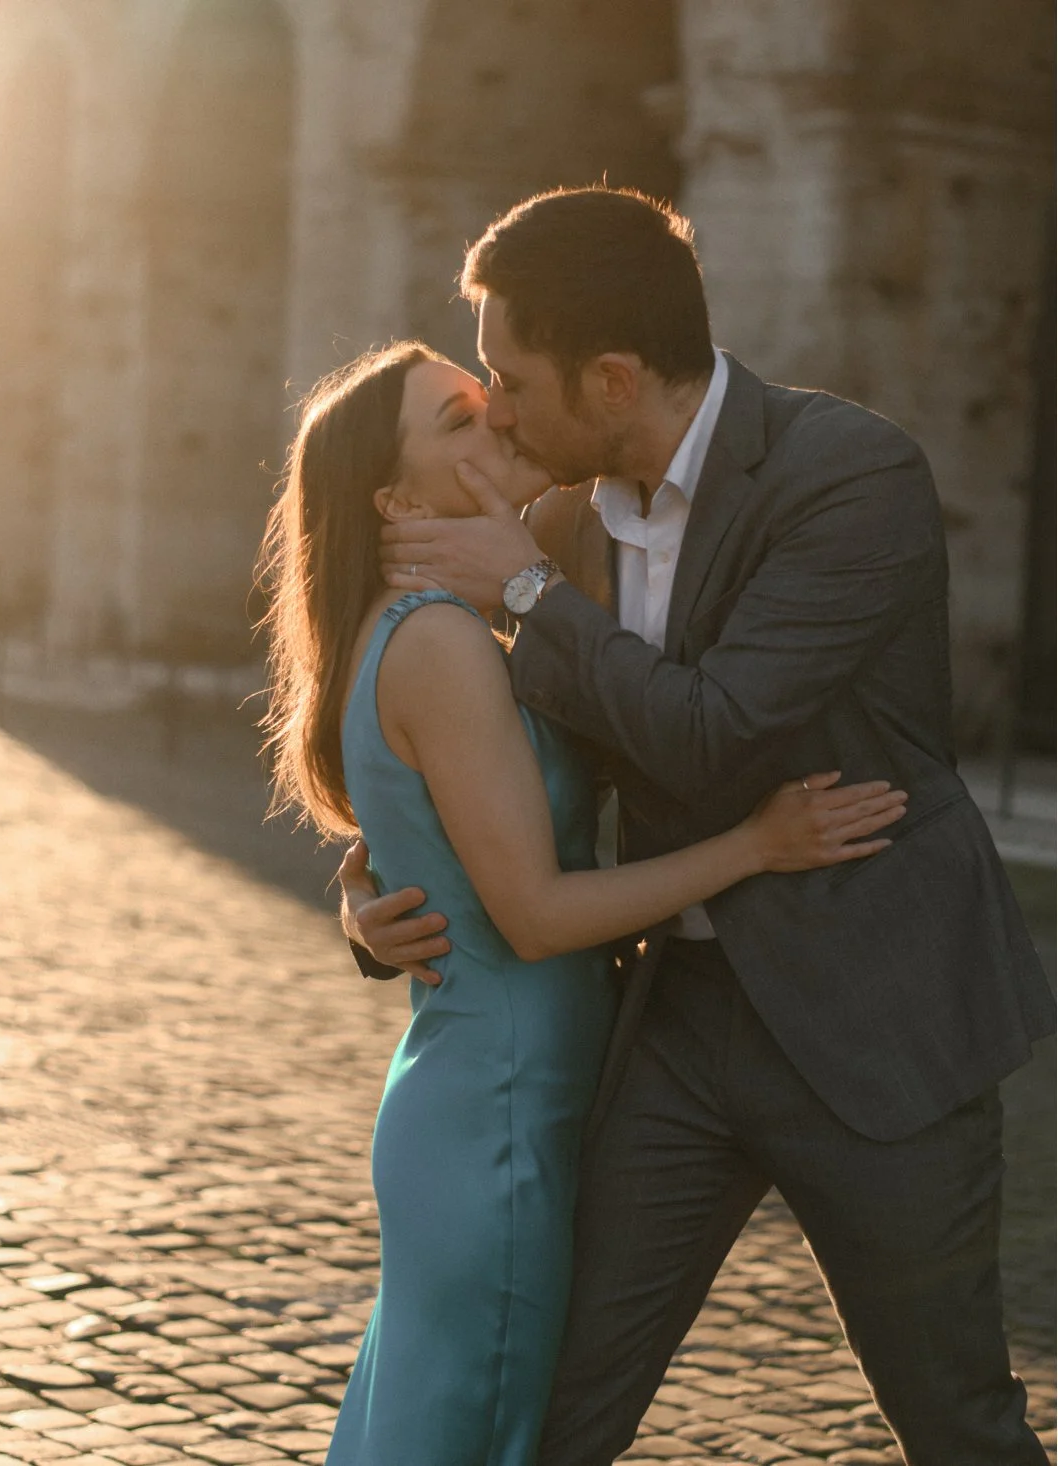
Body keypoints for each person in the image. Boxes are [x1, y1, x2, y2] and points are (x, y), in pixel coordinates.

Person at [340, 187, 1056, 1466]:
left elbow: (714, 732)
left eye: (509, 379)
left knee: (952, 1418)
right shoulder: (560, 524)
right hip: (673, 1025)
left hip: (873, 1018)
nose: (495, 408)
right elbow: (487, 763)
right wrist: (370, 888)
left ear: (611, 378)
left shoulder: (851, 475)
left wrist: (516, 587)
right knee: (556, 1413)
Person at [257, 339, 908, 1466]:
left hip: (492, 1094)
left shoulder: (442, 621)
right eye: (458, 422)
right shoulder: (442, 641)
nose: (499, 425)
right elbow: (538, 914)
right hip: (496, 1114)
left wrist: (366, 895)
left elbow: (441, 836)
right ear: (395, 497)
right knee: (472, 1426)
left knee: (451, 1422)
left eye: (489, 403)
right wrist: (755, 843)